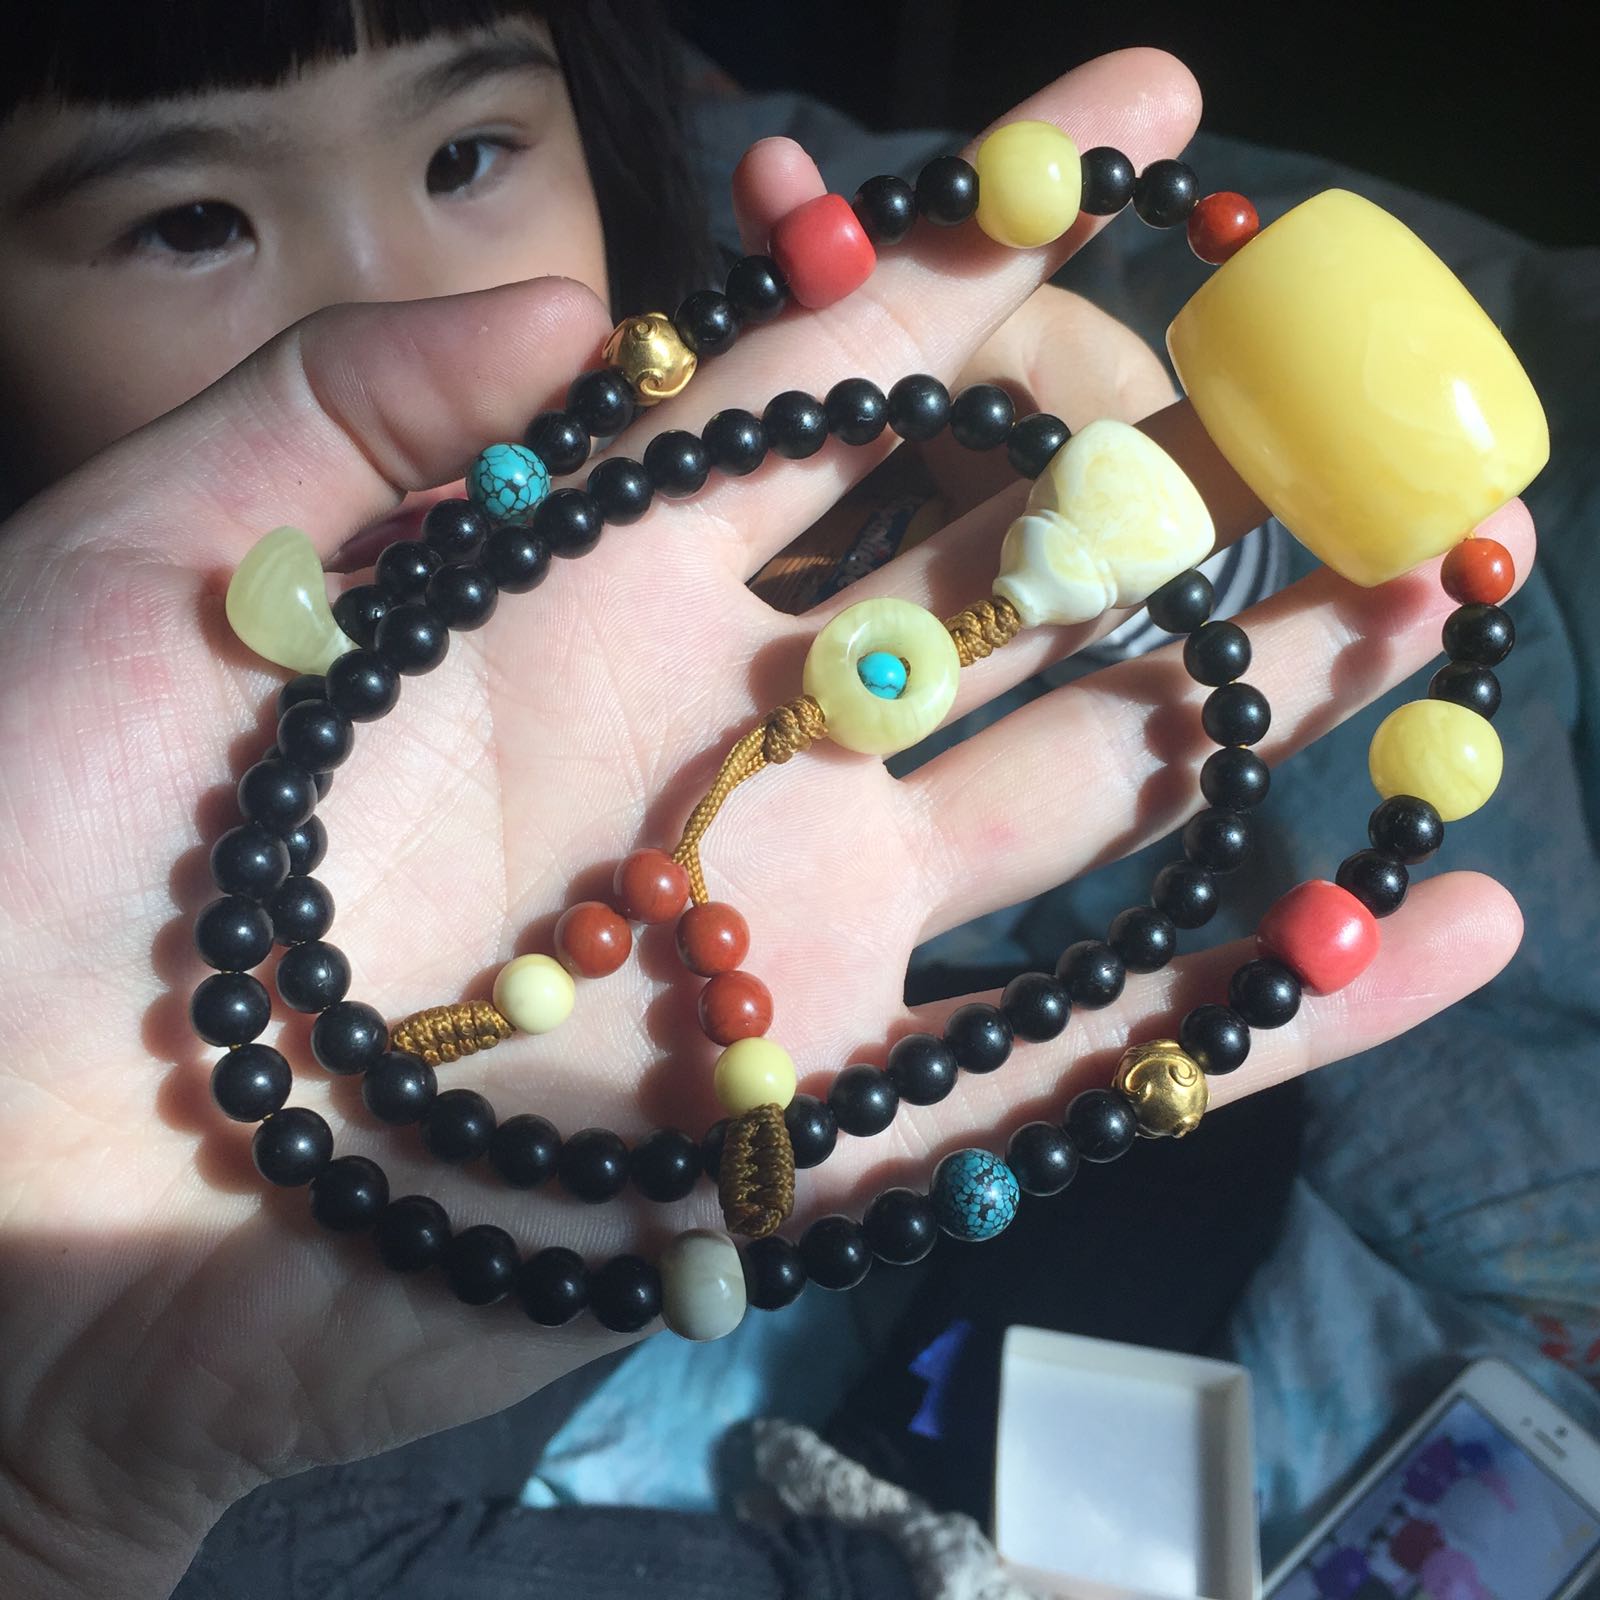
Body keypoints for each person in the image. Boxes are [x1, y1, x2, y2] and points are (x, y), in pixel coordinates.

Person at [0, 3, 1544, 1596]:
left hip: (662, 1181)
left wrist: (1089, 484)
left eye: (465, 156)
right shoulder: (135, 636)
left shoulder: (680, 423)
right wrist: (36, 1491)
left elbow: (932, 560)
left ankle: (899, 1443)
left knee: (1204, 1106)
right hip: (293, 1449)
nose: (392, 287)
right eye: (189, 221)